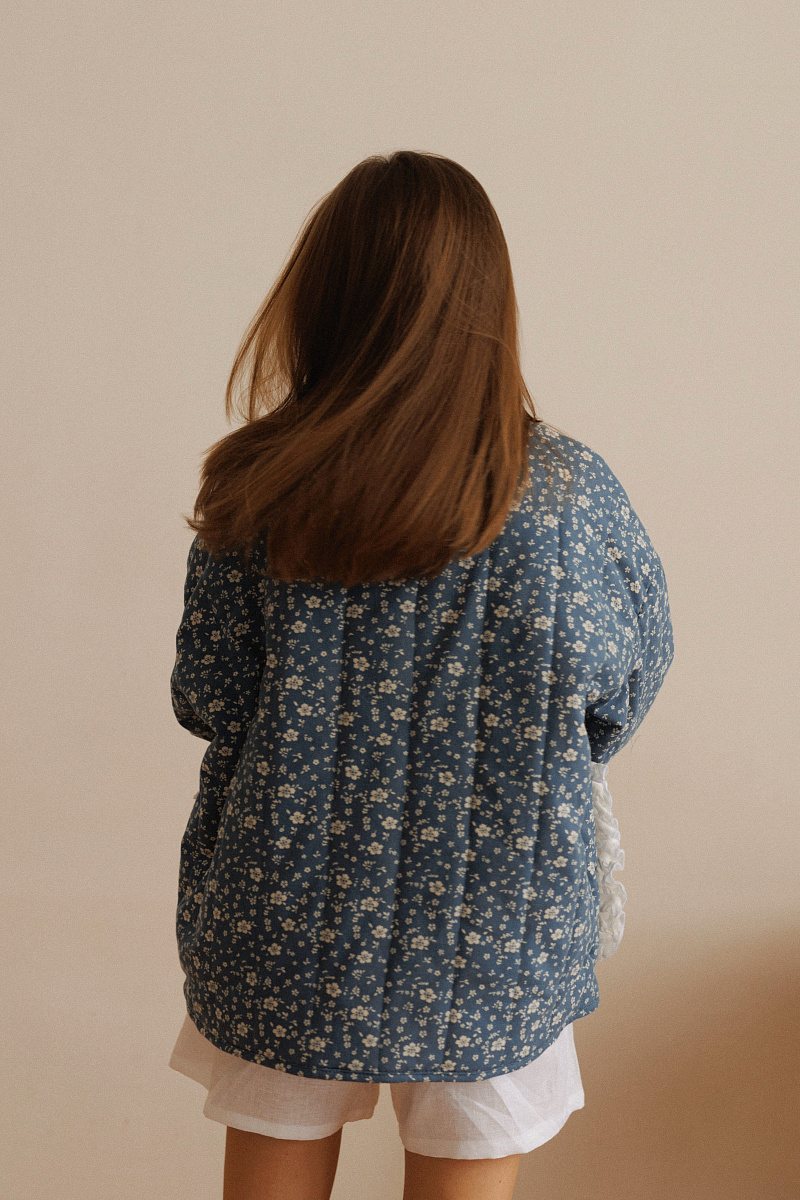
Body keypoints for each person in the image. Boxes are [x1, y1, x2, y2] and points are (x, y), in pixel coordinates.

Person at [167, 150, 674, 1200]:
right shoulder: (569, 496)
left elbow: (208, 696)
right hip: (499, 933)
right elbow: (623, 692)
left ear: (322, 295)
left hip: (287, 919)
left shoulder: (259, 484)